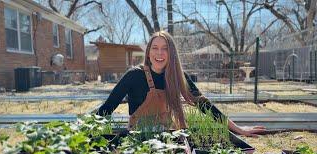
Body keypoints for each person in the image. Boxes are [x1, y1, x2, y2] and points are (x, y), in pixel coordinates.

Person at [97, 30, 266, 137]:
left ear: (171, 53)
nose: (159, 53)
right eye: (155, 48)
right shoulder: (134, 76)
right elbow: (107, 108)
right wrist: (81, 133)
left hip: (168, 138)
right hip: (139, 139)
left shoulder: (177, 76)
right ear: (148, 52)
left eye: (165, 48)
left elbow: (204, 105)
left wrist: (238, 129)